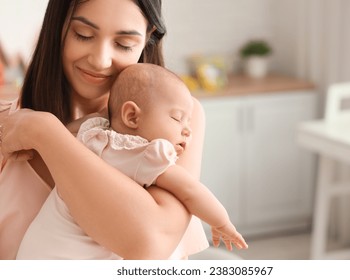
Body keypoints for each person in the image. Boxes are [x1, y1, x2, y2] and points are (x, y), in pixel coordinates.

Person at [0, 0, 210, 260]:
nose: (100, 61)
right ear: (57, 28)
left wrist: (44, 131)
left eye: (123, 44)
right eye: (83, 35)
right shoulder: (6, 126)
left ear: (148, 38)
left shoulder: (179, 119)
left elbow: (150, 244)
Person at [16, 63, 248, 259]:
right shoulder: (142, 154)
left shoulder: (93, 135)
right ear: (132, 116)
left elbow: (68, 131)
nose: (187, 130)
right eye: (177, 118)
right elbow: (189, 190)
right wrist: (222, 222)